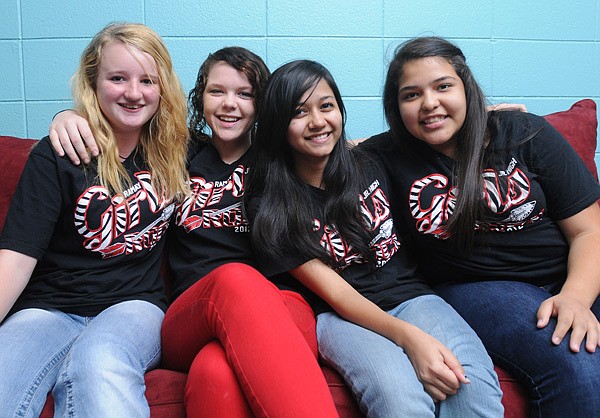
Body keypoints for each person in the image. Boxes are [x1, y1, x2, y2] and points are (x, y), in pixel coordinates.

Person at [48, 47, 339, 418]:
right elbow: (120, 129)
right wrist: (67, 116)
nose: (229, 104)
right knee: (234, 279)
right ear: (200, 97)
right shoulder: (174, 154)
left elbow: (342, 146)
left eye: (245, 94)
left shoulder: (281, 159)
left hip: (280, 306)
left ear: (262, 104)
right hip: (192, 312)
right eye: (217, 91)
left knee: (214, 372)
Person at [245, 59, 504, 417]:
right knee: (400, 399)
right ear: (277, 125)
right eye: (299, 112)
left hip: (413, 297)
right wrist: (410, 338)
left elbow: (436, 128)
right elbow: (338, 295)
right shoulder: (270, 207)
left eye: (326, 106)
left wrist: (495, 117)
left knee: (471, 385)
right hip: (340, 316)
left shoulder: (371, 160)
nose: (318, 121)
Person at [362, 36, 600, 417]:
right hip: (477, 288)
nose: (429, 103)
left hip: (569, 274)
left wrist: (575, 296)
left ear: (466, 88)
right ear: (396, 107)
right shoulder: (384, 158)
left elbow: (589, 230)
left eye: (443, 86)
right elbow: (318, 161)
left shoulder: (524, 133)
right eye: (411, 95)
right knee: (574, 357)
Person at [0, 22, 190, 417]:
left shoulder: (178, 152)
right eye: (117, 78)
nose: (134, 93)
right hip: (48, 309)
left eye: (147, 80)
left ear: (162, 87)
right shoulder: (57, 154)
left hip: (134, 308)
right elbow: (16, 259)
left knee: (99, 360)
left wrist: (352, 151)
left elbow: (248, 143)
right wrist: (64, 116)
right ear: (93, 82)